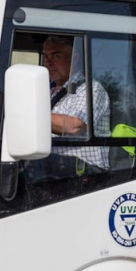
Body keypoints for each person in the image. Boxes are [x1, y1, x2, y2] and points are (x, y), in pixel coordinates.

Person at [25, 35, 110, 181]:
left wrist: (26, 113)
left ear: (74, 59)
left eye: (55, 55)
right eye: (45, 56)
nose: (48, 62)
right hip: (51, 165)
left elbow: (74, 125)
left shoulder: (90, 88)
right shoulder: (45, 90)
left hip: (84, 171)